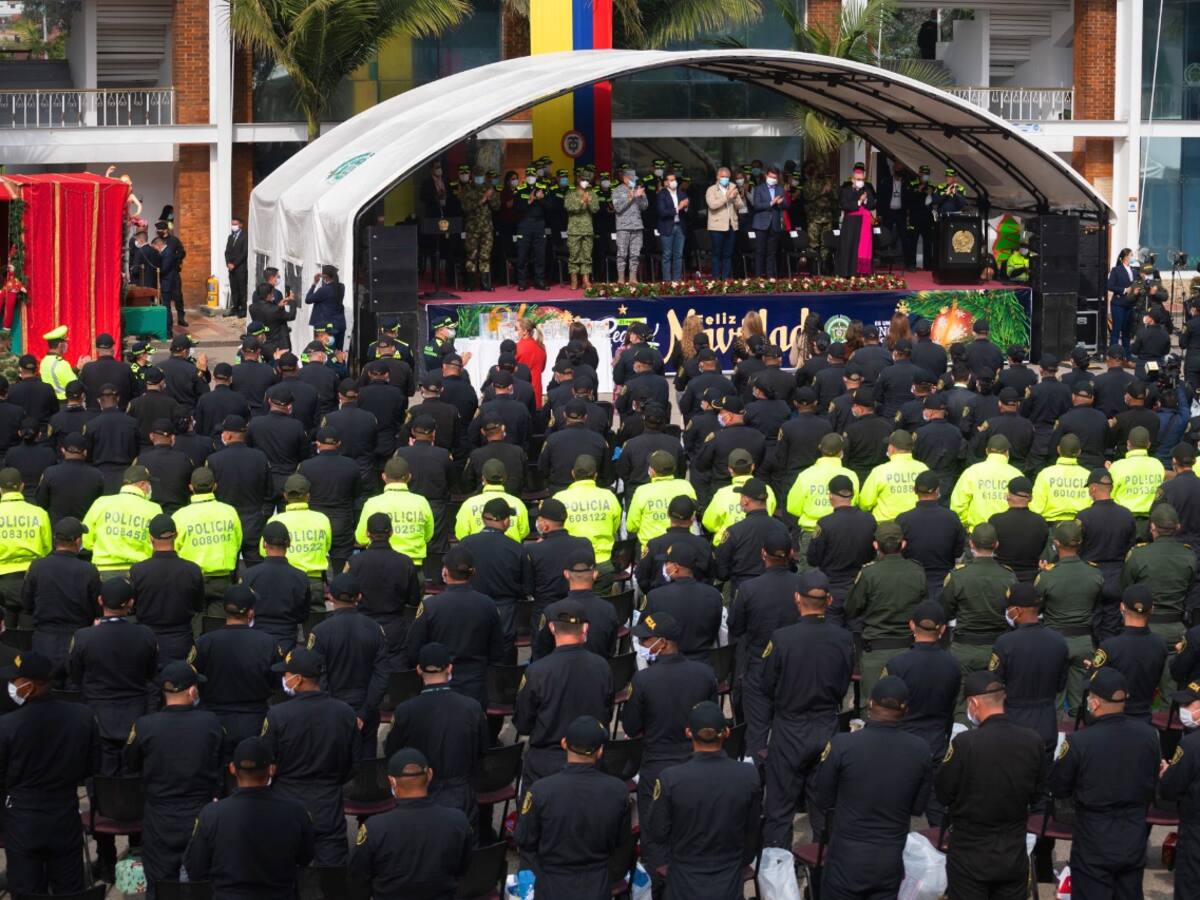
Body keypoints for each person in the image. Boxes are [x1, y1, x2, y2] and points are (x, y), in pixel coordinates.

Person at [816, 676, 933, 899]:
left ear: (870, 704)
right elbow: (918, 807)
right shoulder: (920, 750)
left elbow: (823, 798)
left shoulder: (843, 745)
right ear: (905, 709)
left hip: (846, 856)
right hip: (889, 857)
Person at [760, 570, 854, 849]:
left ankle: (779, 864)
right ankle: (821, 863)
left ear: (797, 599)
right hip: (826, 724)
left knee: (780, 807)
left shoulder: (782, 638)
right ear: (829, 600)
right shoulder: (843, 638)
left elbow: (767, 684)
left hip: (790, 726)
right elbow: (844, 682)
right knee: (823, 806)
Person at [1048, 666, 1160, 898]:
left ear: (1095, 702)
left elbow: (1059, 785)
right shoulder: (1149, 735)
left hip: (1094, 834)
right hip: (1134, 831)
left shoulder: (1080, 741)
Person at [935, 670, 1047, 900]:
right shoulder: (1032, 740)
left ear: (974, 703)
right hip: (1012, 851)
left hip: (969, 852)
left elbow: (944, 792)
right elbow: (1037, 794)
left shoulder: (965, 743)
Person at [0, 650, 100, 896]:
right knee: (69, 888)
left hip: (23, 818)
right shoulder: (82, 717)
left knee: (25, 888)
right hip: (64, 812)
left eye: (15, 680)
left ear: (30, 685)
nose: (12, 686)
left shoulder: (7, 725)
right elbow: (92, 767)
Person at [645, 700, 762, 900]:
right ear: (726, 732)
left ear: (688, 733)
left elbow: (657, 831)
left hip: (684, 882)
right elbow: (752, 831)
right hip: (728, 880)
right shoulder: (748, 775)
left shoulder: (671, 778)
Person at [123, 661, 222, 896]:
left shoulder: (144, 725)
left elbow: (130, 762)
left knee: (159, 882)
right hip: (199, 813)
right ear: (192, 691)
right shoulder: (210, 722)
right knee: (202, 882)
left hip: (160, 815)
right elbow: (218, 761)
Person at [515, 715, 631, 900]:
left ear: (564, 743)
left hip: (552, 887)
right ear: (600, 751)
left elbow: (524, 838)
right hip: (597, 885)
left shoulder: (541, 790)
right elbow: (622, 843)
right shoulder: (618, 791)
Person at [185, 736, 315, 897]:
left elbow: (196, 868)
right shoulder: (296, 812)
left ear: (232, 769)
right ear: (271, 770)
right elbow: (305, 858)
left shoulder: (211, 814)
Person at [264, 646, 358, 865]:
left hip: (287, 801)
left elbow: (268, 759)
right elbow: (353, 763)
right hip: (328, 802)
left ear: (298, 679)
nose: (284, 679)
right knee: (332, 872)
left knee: (285, 867)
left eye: (286, 674)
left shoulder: (278, 715)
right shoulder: (344, 712)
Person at [348, 747, 473, 899]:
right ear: (430, 775)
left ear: (392, 781)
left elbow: (359, 876)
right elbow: (463, 868)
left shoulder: (374, 828)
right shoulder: (458, 821)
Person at [515, 598, 614, 786]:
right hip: (590, 760)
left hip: (545, 764)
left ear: (552, 628)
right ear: (585, 628)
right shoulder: (602, 667)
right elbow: (606, 714)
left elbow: (523, 723)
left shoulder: (537, 671)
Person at [405, 546, 504, 710]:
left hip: (439, 683)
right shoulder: (488, 605)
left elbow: (414, 649)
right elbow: (497, 651)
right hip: (475, 684)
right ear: (473, 572)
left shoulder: (431, 606)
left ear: (445, 572)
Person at [846, 521, 928, 697]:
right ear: (903, 544)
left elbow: (851, 608)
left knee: (873, 704)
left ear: (876, 545)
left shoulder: (869, 573)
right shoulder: (917, 571)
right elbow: (925, 608)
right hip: (908, 648)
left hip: (876, 650)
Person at [836, 162, 876, 277]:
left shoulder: (867, 189)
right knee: (849, 247)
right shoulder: (846, 189)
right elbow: (844, 205)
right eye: (858, 179)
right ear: (853, 179)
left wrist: (866, 200)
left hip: (863, 223)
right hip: (850, 223)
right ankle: (847, 272)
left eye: (861, 179)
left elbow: (872, 205)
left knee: (861, 247)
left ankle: (860, 272)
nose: (860, 181)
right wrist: (859, 202)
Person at [706, 167, 747, 280]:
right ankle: (716, 279)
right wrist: (727, 197)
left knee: (728, 254)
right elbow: (712, 205)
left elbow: (740, 206)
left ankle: (725, 279)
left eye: (727, 177)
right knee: (716, 253)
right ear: (718, 177)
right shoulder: (711, 190)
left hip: (731, 226)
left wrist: (735, 198)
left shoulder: (733, 187)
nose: (725, 179)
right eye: (723, 177)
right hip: (716, 227)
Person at [612, 167, 648, 284]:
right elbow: (618, 208)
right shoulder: (617, 190)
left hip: (637, 226)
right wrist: (631, 197)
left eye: (634, 179)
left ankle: (633, 278)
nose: (634, 181)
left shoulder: (638, 189)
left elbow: (645, 207)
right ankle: (621, 278)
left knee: (635, 254)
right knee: (622, 254)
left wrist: (640, 196)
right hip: (623, 227)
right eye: (632, 179)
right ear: (625, 179)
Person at [749, 165, 786, 276]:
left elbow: (785, 205)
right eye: (771, 177)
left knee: (771, 252)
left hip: (774, 224)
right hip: (761, 224)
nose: (772, 179)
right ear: (766, 176)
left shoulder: (780, 189)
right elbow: (756, 206)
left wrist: (780, 203)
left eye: (775, 178)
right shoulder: (759, 189)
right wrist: (771, 203)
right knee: (760, 251)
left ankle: (770, 276)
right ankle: (759, 276)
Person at [305, 264, 347, 350]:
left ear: (325, 276)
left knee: (325, 352)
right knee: (338, 352)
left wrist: (314, 284)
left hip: (326, 327)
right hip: (339, 325)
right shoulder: (341, 287)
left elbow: (308, 299)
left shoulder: (324, 290)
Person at [1108, 247, 1138, 356]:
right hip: (1118, 304)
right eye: (1131, 255)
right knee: (1116, 330)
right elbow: (1110, 286)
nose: (1132, 257)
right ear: (1125, 257)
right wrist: (1124, 290)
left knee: (1127, 332)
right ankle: (1113, 354)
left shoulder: (1134, 271)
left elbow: (1135, 284)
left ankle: (1127, 355)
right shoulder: (1116, 270)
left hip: (1129, 304)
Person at [225, 215, 249, 316]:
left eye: (235, 224)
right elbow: (227, 252)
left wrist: (234, 264)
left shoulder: (245, 236)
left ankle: (243, 309)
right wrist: (228, 263)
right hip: (231, 268)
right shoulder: (231, 237)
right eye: (232, 224)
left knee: (242, 289)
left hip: (240, 268)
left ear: (240, 225)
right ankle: (235, 307)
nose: (233, 226)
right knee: (234, 288)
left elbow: (244, 253)